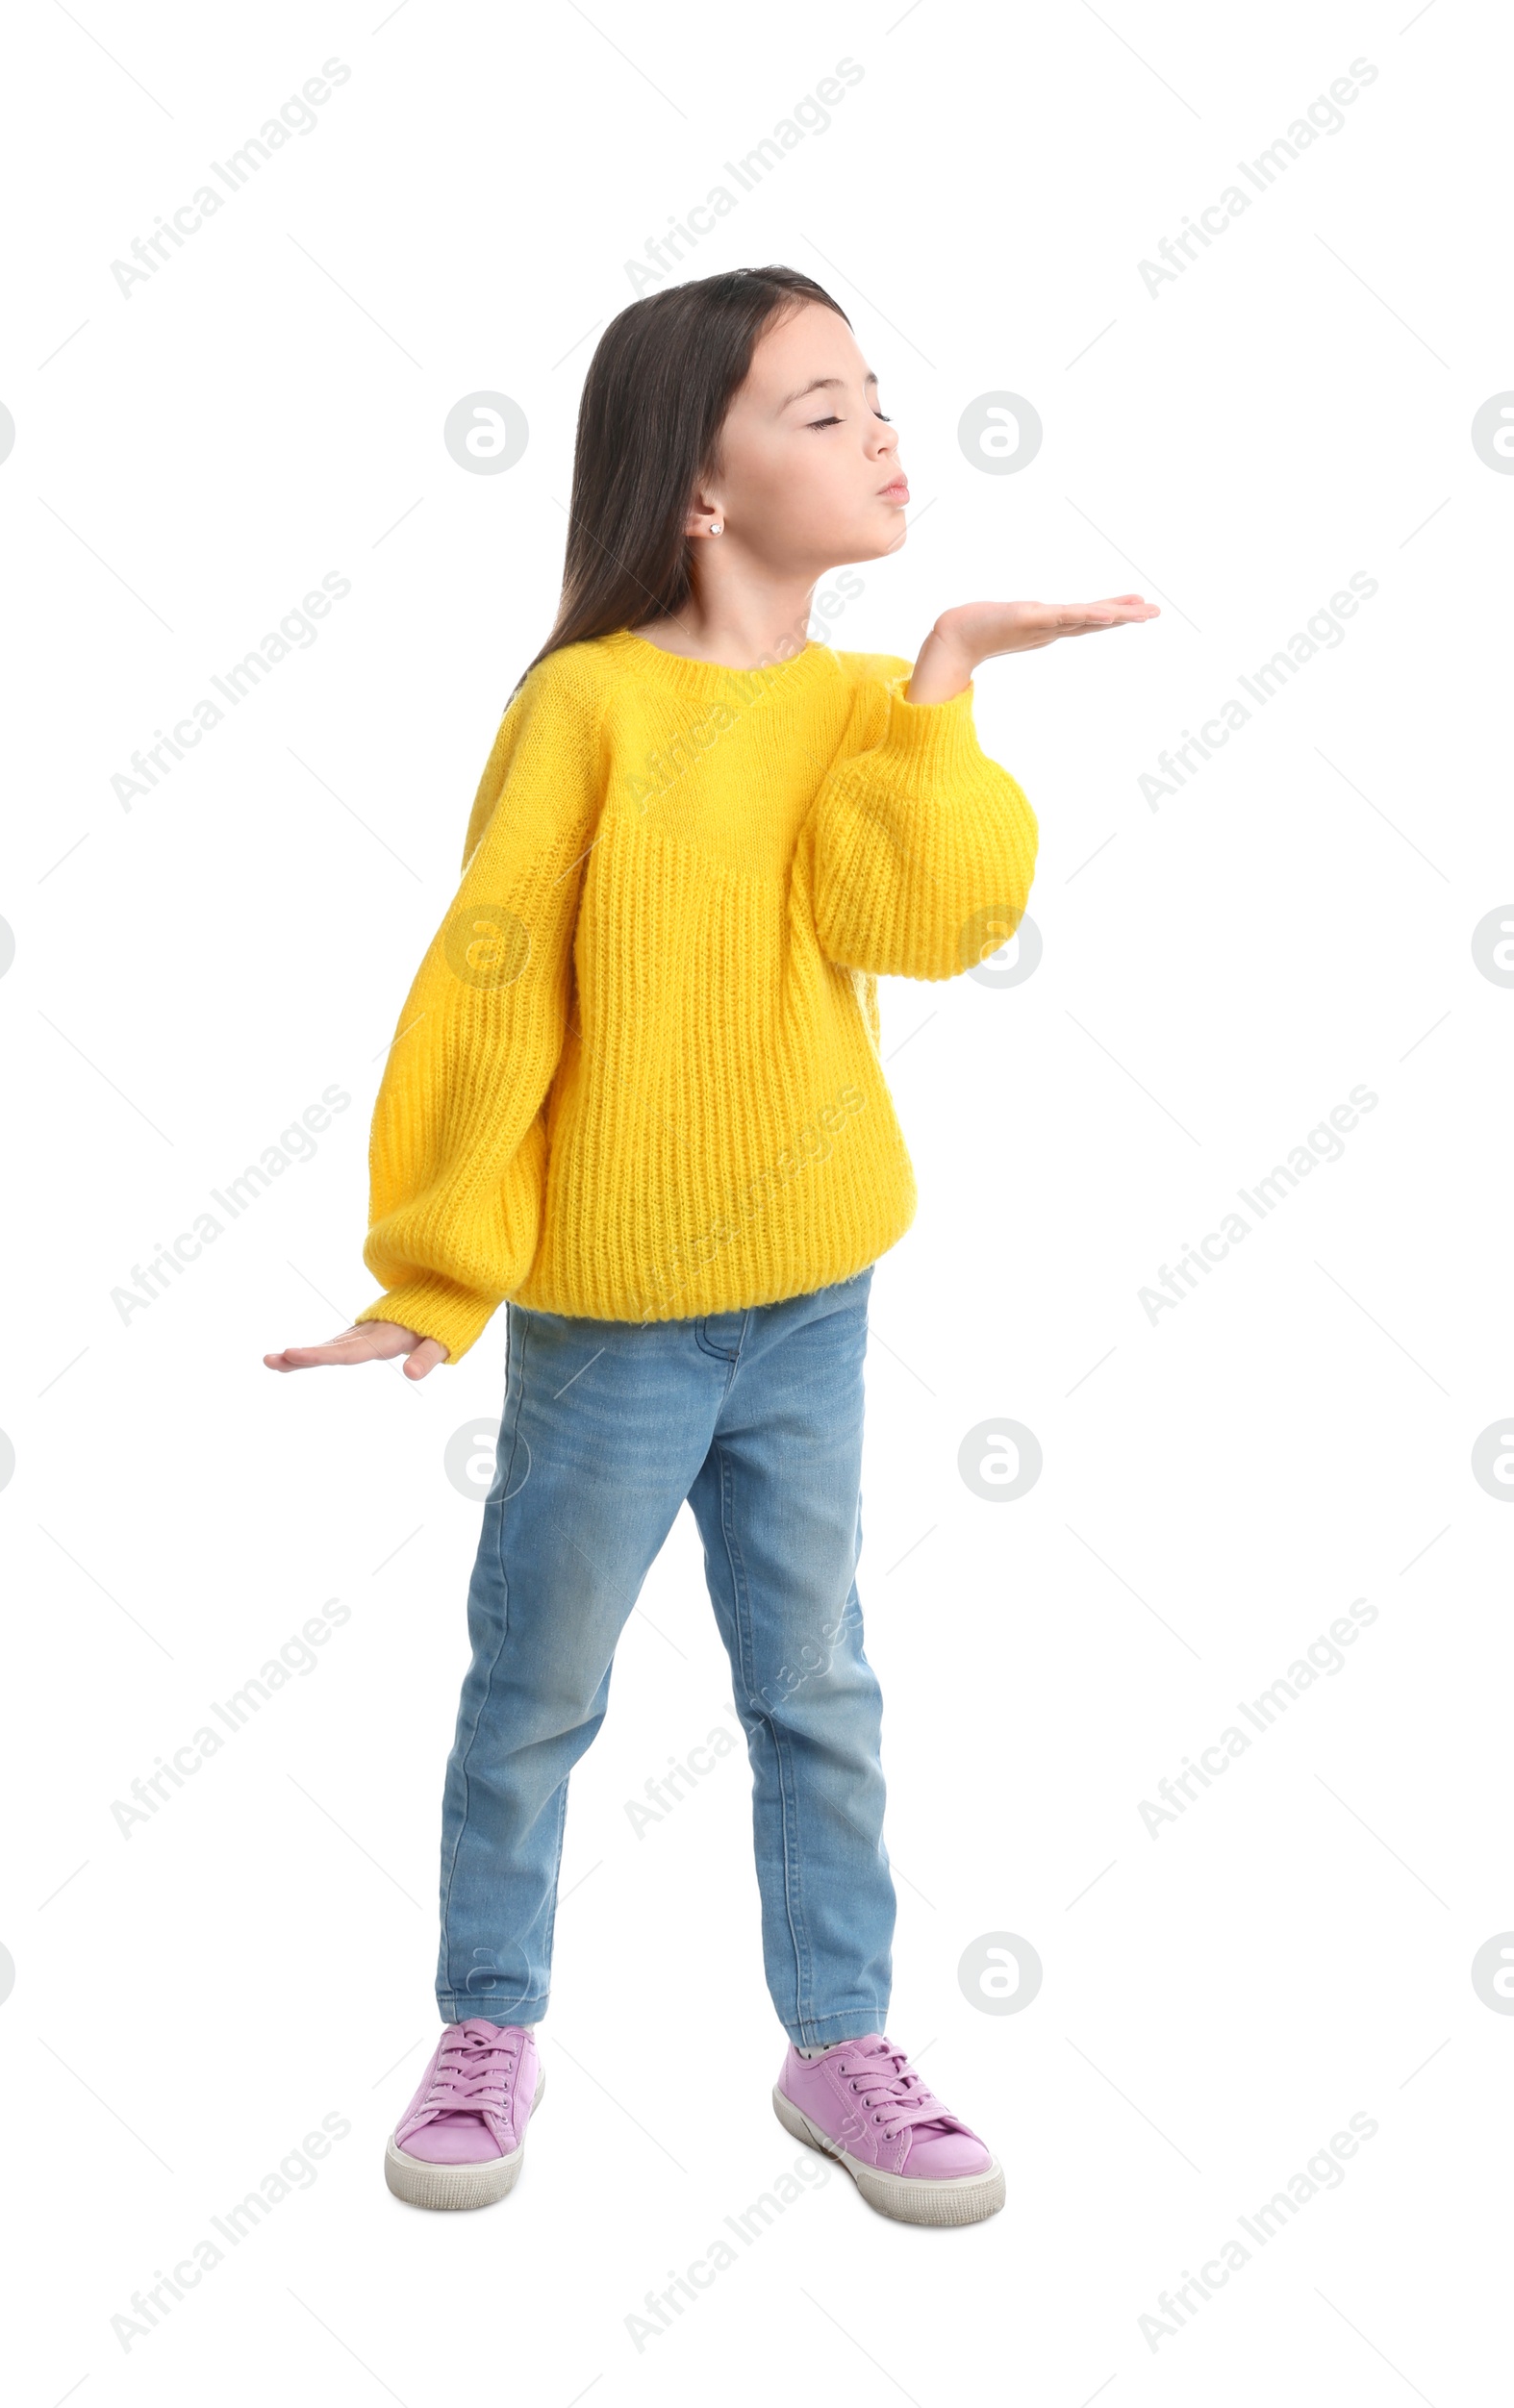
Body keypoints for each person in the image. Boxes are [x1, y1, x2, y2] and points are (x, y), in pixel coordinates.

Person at [265, 263, 1156, 2225]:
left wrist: (938, 684)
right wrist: (432, 1271)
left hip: (813, 1302)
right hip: (611, 1330)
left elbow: (916, 918)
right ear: (696, 483)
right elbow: (490, 992)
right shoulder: (583, 704)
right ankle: (486, 2024)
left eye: (874, 396)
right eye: (820, 408)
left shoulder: (859, 701)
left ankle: (836, 2041)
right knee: (537, 1689)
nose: (880, 434)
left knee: (815, 1685)